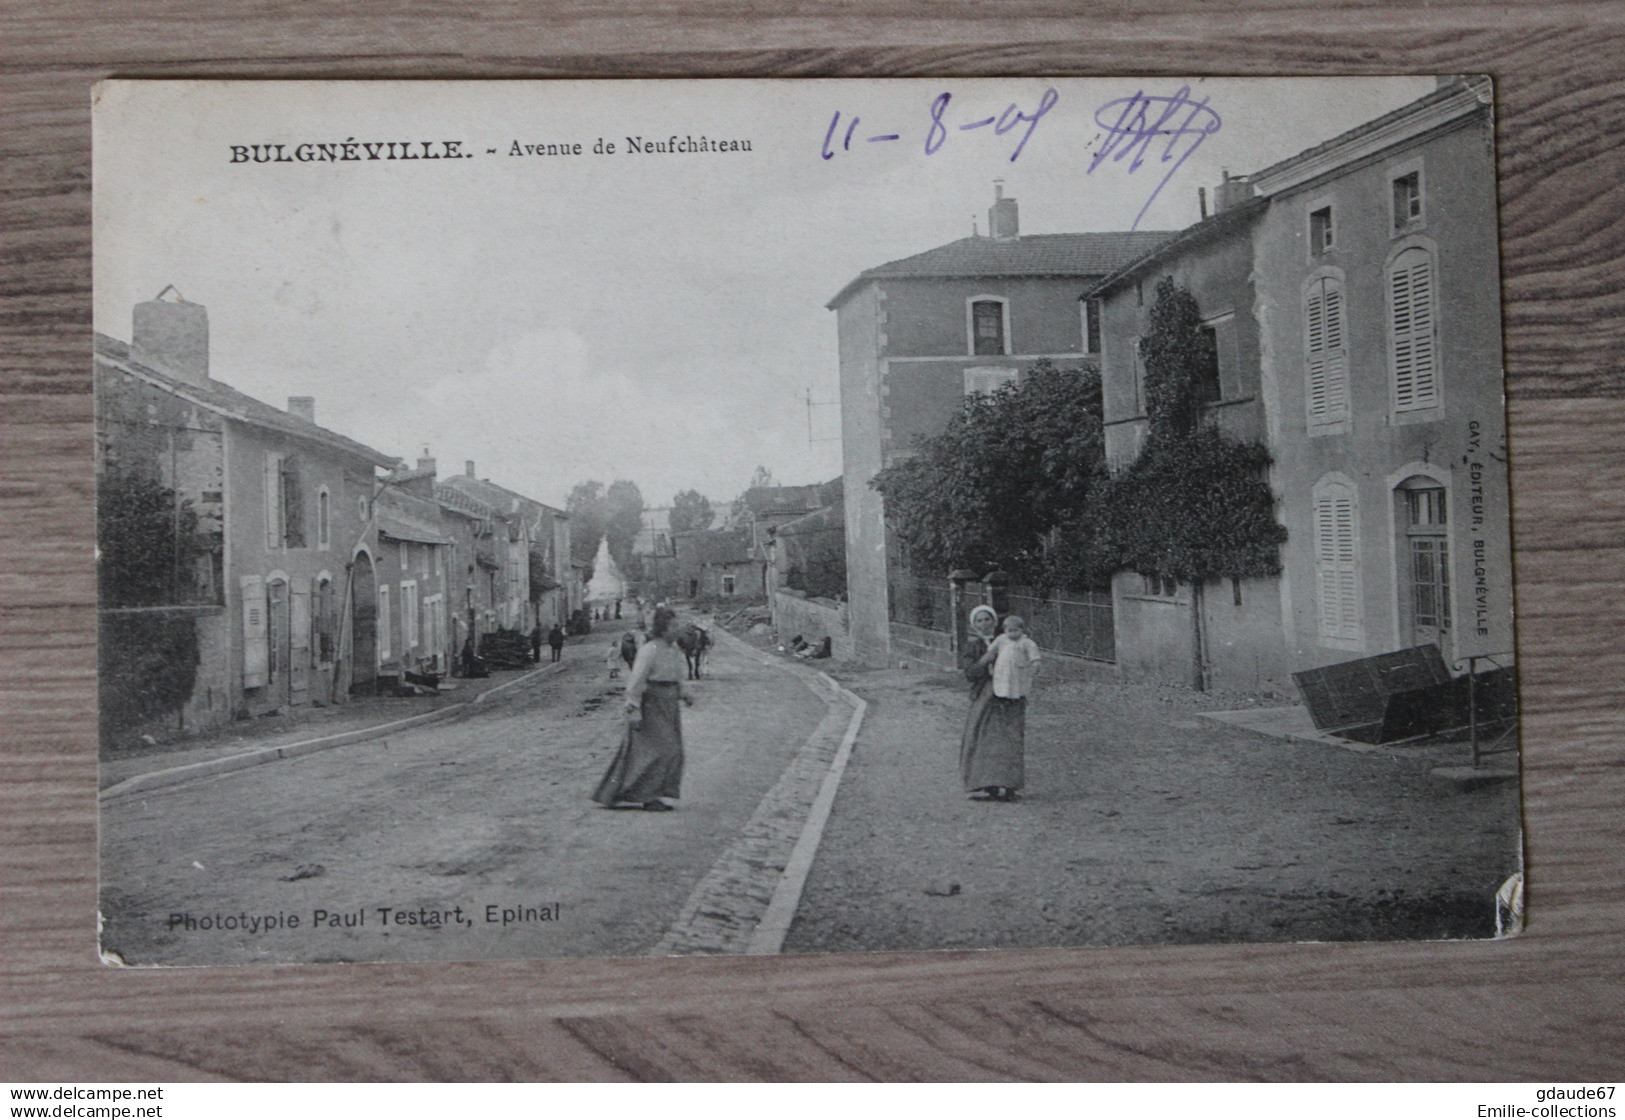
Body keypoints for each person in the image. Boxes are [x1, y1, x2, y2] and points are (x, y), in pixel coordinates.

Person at [592, 606, 692, 811]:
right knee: (664, 749)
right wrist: (634, 709)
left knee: (671, 751)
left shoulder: (673, 650)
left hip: (669, 705)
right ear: (662, 629)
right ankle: (648, 797)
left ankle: (648, 794)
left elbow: (676, 676)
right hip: (652, 704)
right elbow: (636, 681)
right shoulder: (650, 650)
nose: (677, 629)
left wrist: (684, 693)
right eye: (673, 626)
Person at [961, 611, 1039, 802]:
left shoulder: (1010, 640)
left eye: (987, 619)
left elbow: (1027, 656)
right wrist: (985, 660)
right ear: (974, 624)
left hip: (1011, 693)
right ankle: (988, 784)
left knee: (1011, 738)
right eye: (979, 620)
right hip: (986, 695)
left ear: (994, 622)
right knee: (985, 737)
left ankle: (1010, 785)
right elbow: (969, 673)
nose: (983, 624)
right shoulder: (974, 646)